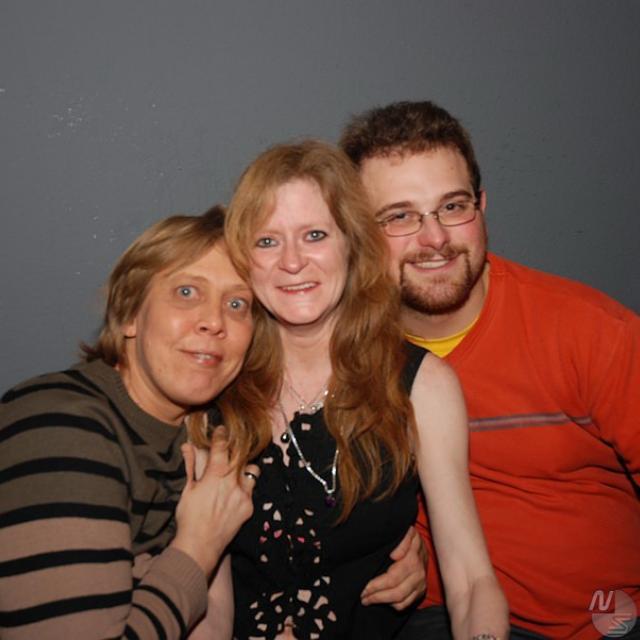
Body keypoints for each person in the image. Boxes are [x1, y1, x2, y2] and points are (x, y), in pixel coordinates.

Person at [339, 100, 640, 640]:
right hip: (441, 619)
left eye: (452, 207)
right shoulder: (345, 357)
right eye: (400, 216)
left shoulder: (590, 331)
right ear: (359, 233)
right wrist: (399, 547)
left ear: (481, 206)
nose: (435, 239)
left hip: (603, 622)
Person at [191, 140, 508, 640]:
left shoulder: (421, 386)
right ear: (243, 258)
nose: (292, 262)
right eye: (267, 241)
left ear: (352, 244)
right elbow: (208, 599)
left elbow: (471, 582)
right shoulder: (215, 385)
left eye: (315, 235)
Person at [0, 207, 261, 639]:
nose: (215, 321)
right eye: (186, 292)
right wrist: (200, 543)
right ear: (129, 315)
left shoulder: (193, 440)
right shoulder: (61, 427)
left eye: (237, 304)